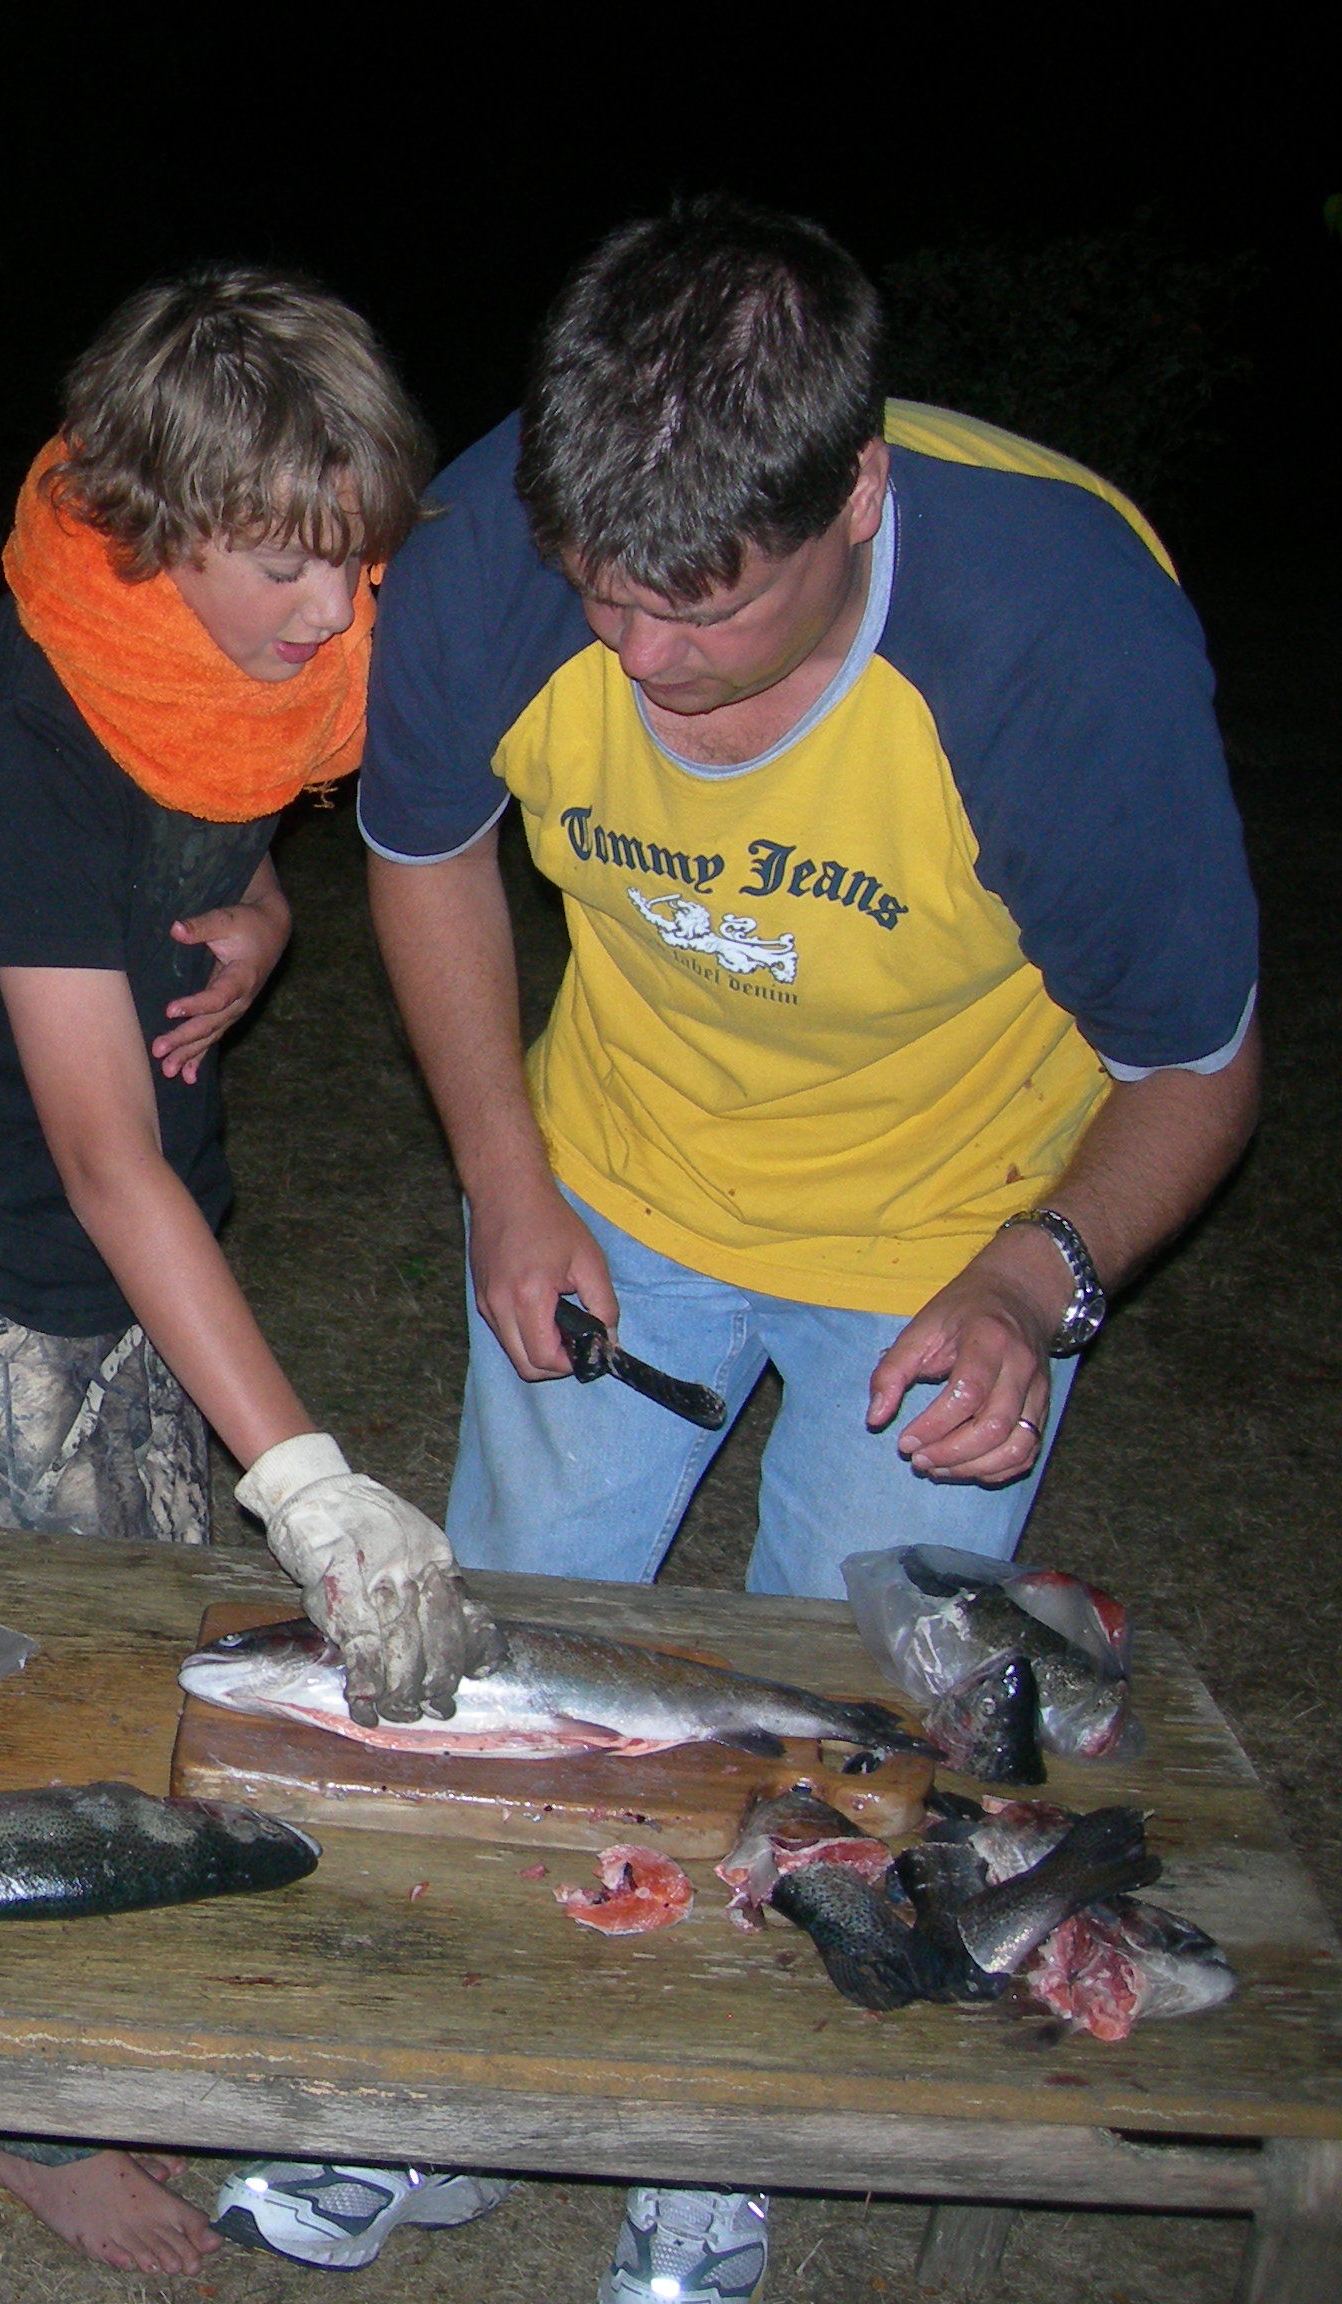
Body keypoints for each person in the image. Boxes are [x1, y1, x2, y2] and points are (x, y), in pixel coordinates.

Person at [359, 197, 1260, 2304]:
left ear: (855, 497)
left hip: (944, 1233)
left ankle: (721, 2148)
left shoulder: (1060, 642)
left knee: (848, 1732)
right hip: (624, 1168)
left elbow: (1200, 1068)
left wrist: (1040, 1283)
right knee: (505, 1667)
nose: (641, 660)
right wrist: (508, 1179)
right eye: (603, 597)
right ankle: (443, 2092)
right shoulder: (494, 550)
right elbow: (428, 850)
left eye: (704, 608)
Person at [0, 264, 504, 2278]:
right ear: (156, 530)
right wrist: (315, 1484)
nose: (333, 613)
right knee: (33, 1700)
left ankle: (87, 2016)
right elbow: (104, 1160)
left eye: (354, 559)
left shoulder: (228, 664)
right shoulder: (24, 739)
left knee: (139, 1661)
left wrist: (270, 911)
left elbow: (210, 832)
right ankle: (23, 2118)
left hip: (125, 1230)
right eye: (284, 566)